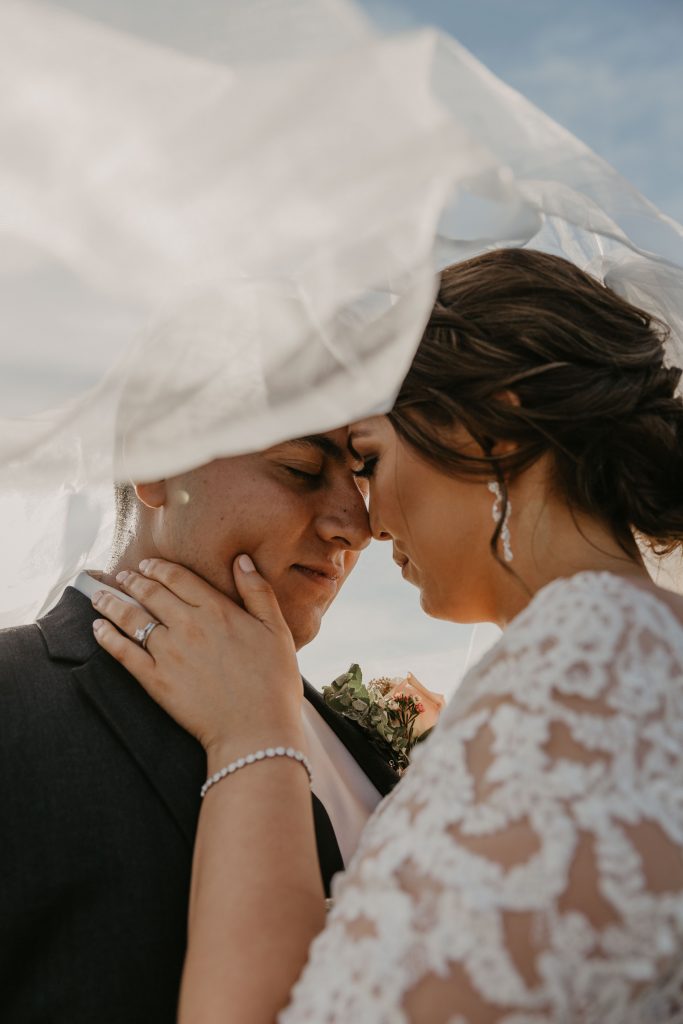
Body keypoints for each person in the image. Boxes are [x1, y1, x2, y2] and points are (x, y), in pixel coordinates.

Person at [93, 248, 683, 1022]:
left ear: (490, 433)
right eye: (310, 467)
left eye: (367, 458)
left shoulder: (588, 669)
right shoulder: (621, 659)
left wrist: (252, 738)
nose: (365, 523)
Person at [0, 429, 399, 1024]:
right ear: (156, 458)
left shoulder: (341, 732)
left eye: (363, 473)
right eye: (300, 468)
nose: (358, 525)